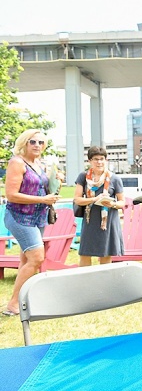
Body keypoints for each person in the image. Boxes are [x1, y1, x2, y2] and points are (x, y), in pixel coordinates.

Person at [2, 129, 61, 316]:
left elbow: (40, 189)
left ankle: (22, 300)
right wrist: (43, 200)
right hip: (20, 217)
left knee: (26, 260)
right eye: (33, 142)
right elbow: (11, 195)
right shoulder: (17, 163)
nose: (37, 145)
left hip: (38, 217)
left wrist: (54, 182)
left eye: (41, 143)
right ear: (25, 143)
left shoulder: (38, 163)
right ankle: (12, 304)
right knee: (36, 258)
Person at [73, 146, 125, 267]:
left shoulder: (115, 179)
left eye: (102, 159)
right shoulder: (83, 177)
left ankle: (103, 283)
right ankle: (85, 281)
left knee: (105, 254)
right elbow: (77, 199)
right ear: (90, 161)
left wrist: (112, 204)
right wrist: (94, 199)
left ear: (106, 160)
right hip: (90, 220)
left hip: (108, 222)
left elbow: (122, 202)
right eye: (95, 159)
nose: (99, 162)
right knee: (85, 254)